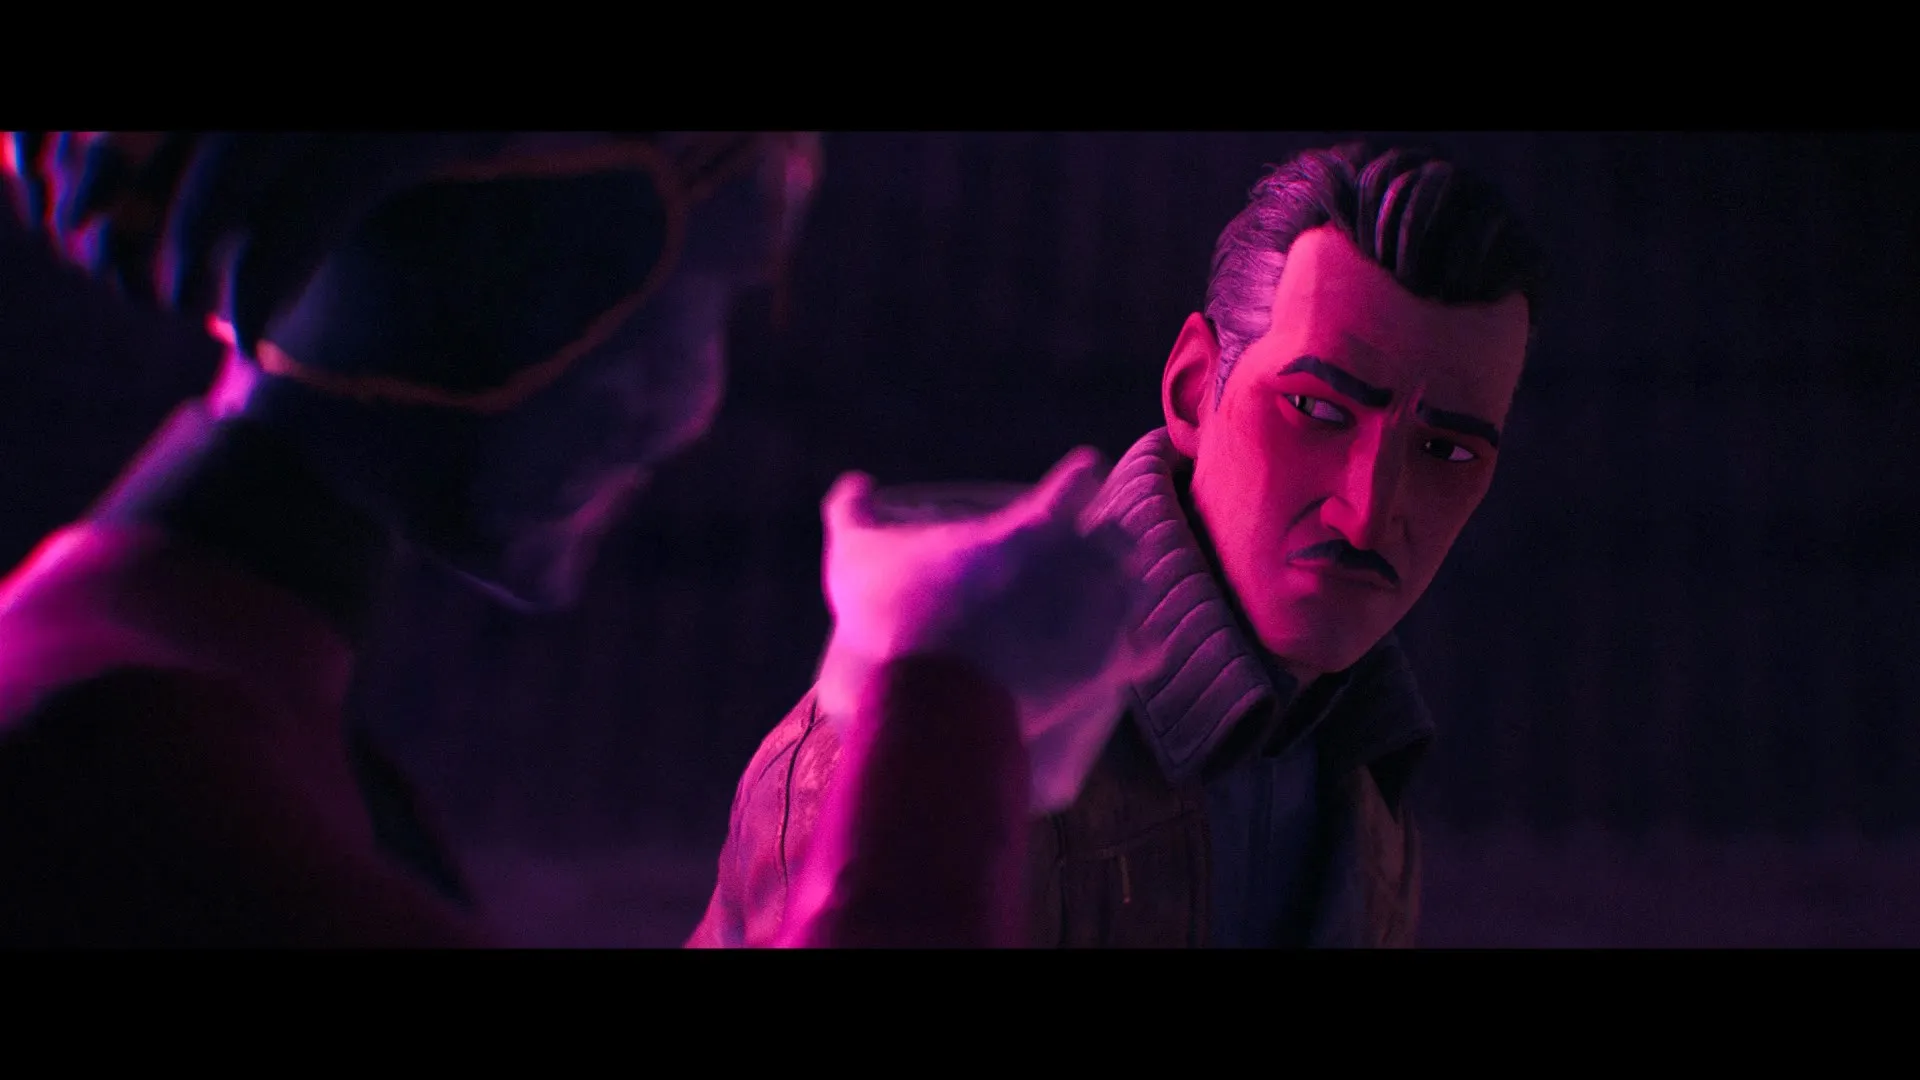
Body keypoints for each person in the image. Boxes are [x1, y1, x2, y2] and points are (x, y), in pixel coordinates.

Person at [0, 132, 1140, 947]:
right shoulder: (125, 756)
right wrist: (946, 699)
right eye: (694, 295)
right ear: (498, 270)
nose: (688, 403)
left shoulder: (195, 694)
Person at [689, 141, 1545, 948]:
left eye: (1447, 452)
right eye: (1316, 410)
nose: (1367, 514)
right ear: (1193, 389)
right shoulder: (928, 732)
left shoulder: (1362, 773)